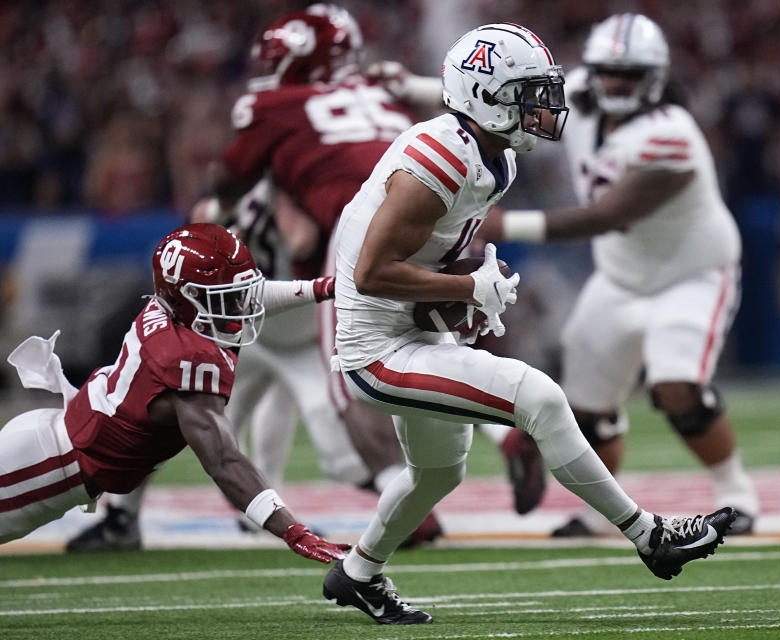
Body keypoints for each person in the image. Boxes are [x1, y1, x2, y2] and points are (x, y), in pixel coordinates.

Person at [320, 23, 738, 626]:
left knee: (439, 472)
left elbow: (422, 258)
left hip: (413, 327)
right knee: (538, 396)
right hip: (378, 345)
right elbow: (370, 273)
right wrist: (467, 288)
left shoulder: (495, 155)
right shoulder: (437, 159)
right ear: (485, 96)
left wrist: (460, 291)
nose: (544, 107)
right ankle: (651, 536)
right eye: (528, 93)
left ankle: (357, 573)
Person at [64, 4, 445, 551]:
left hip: (282, 325)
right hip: (253, 325)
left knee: (324, 450)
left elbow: (281, 233)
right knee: (184, 417)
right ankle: (127, 517)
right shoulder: (328, 151)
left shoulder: (285, 167)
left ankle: (403, 515)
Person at [482, 14, 759, 536]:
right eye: (608, 71)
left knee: (678, 387)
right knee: (583, 406)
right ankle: (600, 512)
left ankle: (736, 493)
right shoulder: (581, 92)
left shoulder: (670, 133)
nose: (614, 84)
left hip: (691, 275)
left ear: (654, 77)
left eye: (627, 74)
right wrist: (415, 87)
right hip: (620, 276)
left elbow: (605, 215)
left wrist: (502, 222)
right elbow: (497, 91)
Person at [0, 223, 349, 569]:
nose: (237, 304)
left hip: (47, 442)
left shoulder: (177, 310)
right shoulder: (186, 358)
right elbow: (224, 462)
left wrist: (325, 288)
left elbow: (251, 295)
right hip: (47, 466)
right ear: (185, 296)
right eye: (223, 296)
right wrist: (293, 532)